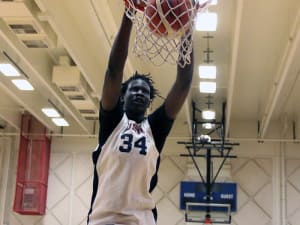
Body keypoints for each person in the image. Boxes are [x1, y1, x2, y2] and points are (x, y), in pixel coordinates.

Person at [87, 6, 194, 225]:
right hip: (103, 220)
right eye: (134, 89)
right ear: (122, 96)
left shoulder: (154, 130)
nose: (139, 93)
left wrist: (188, 26)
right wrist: (129, 12)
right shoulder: (112, 123)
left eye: (144, 92)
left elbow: (183, 84)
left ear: (149, 101)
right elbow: (114, 70)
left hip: (140, 220)